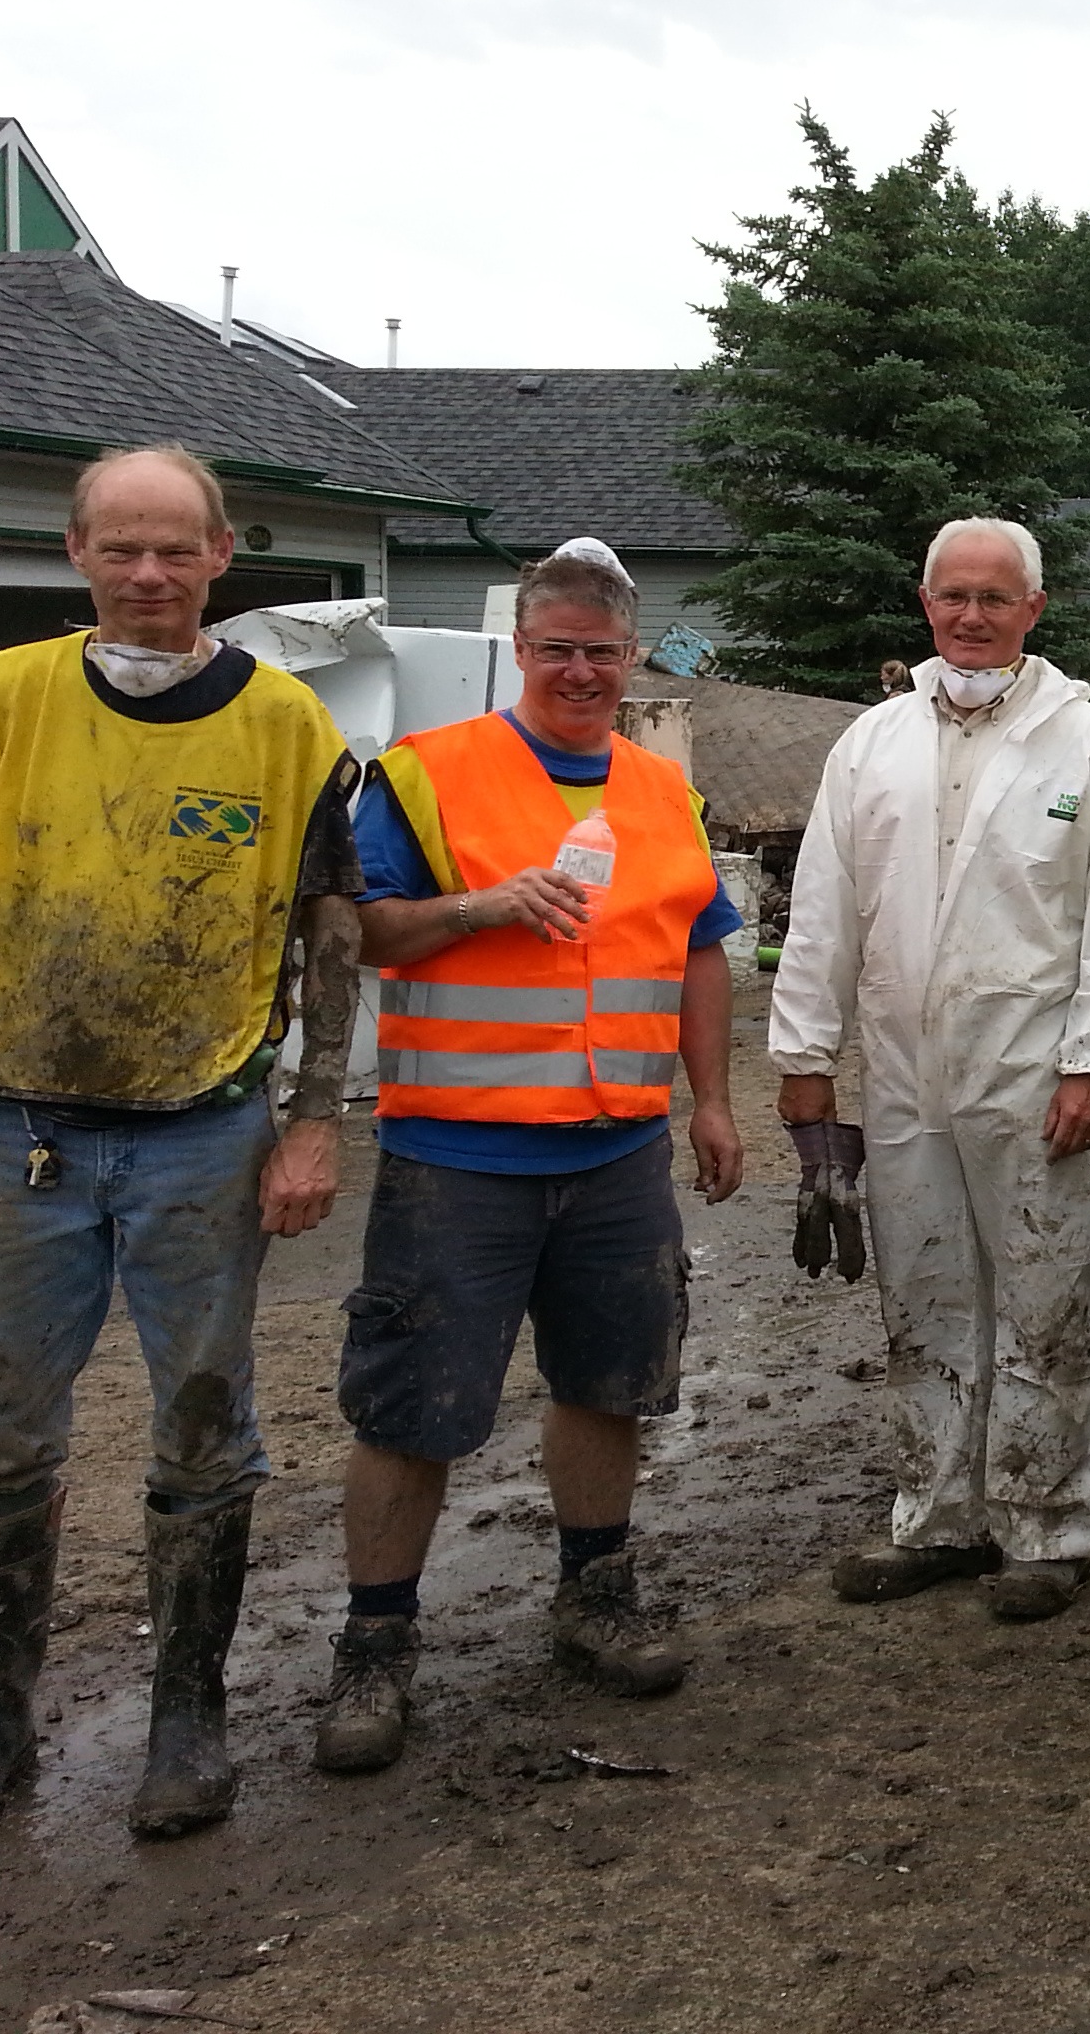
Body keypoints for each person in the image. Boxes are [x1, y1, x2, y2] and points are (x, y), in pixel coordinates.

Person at [0, 447, 362, 1842]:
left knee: (205, 1430)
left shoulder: (291, 729)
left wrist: (312, 1124)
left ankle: (188, 1713)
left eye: (173, 552)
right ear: (74, 554)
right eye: (120, 550)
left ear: (221, 556)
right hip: (18, 1131)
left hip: (201, 1131)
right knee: (1, 1436)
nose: (146, 576)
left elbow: (332, 939)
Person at [314, 539, 745, 1775]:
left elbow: (702, 950)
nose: (578, 670)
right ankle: (376, 1645)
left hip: (617, 1152)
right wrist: (482, 907)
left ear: (631, 656)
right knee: (411, 1405)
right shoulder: (428, 775)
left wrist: (712, 1100)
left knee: (610, 1383)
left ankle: (594, 1594)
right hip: (457, 1157)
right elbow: (363, 928)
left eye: (600, 653)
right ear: (521, 649)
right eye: (555, 648)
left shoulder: (663, 793)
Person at [773, 518, 1090, 1622]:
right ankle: (940, 1516)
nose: (973, 616)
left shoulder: (1084, 744)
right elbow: (824, 913)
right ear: (927, 602)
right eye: (955, 596)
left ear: (1033, 610)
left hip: (1036, 1071)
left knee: (1046, 1290)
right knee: (927, 1291)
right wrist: (805, 1058)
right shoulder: (874, 746)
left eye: (996, 598)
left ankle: (1048, 1522)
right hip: (905, 1072)